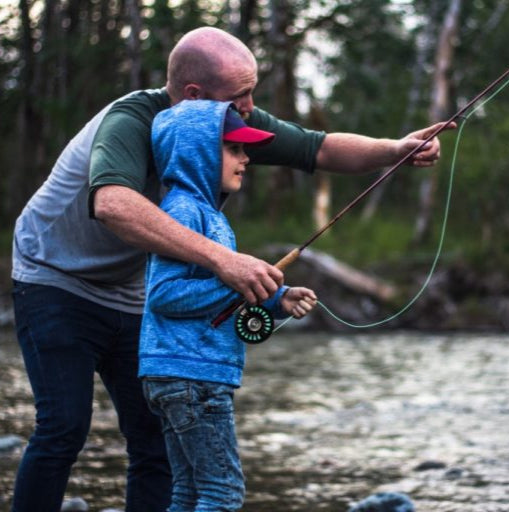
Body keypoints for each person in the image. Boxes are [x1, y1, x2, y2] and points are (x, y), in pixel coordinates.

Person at [10, 25, 453, 512]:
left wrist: (394, 149)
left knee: (154, 441)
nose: (250, 104)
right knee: (64, 428)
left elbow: (317, 148)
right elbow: (113, 204)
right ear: (195, 94)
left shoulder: (225, 122)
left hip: (135, 290)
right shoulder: (134, 120)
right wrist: (224, 261)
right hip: (54, 275)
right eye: (241, 93)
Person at [140, 100, 317, 511]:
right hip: (192, 375)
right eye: (234, 149)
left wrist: (277, 298)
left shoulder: (210, 215)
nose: (246, 159)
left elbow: (222, 287)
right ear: (199, 152)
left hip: (179, 373)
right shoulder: (185, 211)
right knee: (223, 492)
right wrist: (237, 286)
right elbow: (163, 295)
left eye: (245, 150)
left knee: (187, 492)